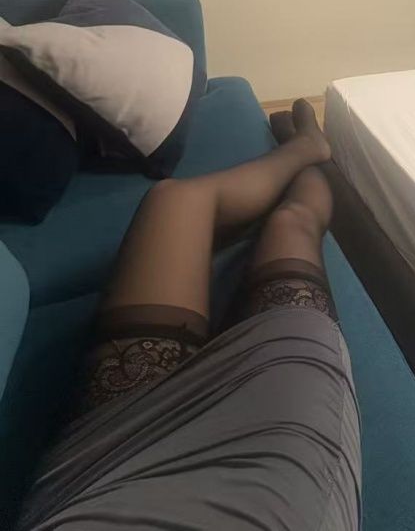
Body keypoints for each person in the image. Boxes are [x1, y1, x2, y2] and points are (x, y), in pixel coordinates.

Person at [19, 100, 361, 531]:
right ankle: (310, 149)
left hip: (106, 475)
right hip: (274, 485)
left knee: (175, 199)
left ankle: (304, 149)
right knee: (292, 223)